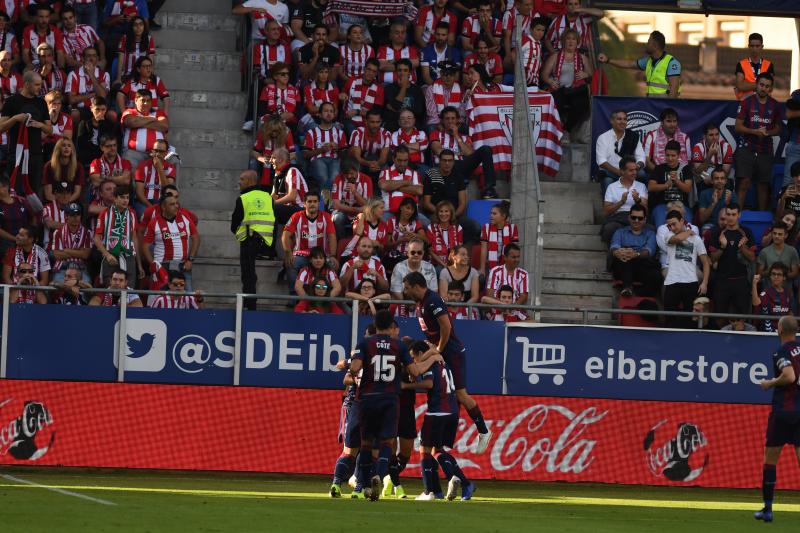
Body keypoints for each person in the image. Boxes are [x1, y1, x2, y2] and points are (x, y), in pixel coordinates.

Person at [347, 309, 443, 500]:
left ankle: (364, 485)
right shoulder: (398, 346)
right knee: (387, 444)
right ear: (392, 326)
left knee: (366, 445)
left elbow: (354, 368)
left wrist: (358, 363)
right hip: (389, 399)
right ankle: (378, 476)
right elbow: (415, 372)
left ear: (375, 325)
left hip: (367, 398)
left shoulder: (365, 343)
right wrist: (432, 357)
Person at [403, 271, 493, 454]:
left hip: (452, 353)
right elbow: (435, 332)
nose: (405, 292)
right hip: (443, 351)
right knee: (445, 395)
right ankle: (441, 441)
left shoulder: (432, 300)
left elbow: (446, 326)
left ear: (416, 286)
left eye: (407, 288)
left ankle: (484, 431)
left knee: (459, 394)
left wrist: (438, 349)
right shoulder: (422, 304)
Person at [409, 339, 476, 501]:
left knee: (424, 450)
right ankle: (462, 486)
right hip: (452, 410)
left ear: (419, 353)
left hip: (437, 411)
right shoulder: (442, 362)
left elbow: (427, 381)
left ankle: (429, 491)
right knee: (437, 450)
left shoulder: (429, 363)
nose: (413, 361)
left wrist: (408, 384)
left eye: (413, 357)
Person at [754, 315, 800, 523]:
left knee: (770, 461)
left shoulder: (780, 352)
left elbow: (789, 376)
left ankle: (768, 509)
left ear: (780, 330)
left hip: (784, 411)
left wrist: (770, 383)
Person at [231, 170, 280, 310]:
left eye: (242, 179)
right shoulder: (268, 197)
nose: (239, 182)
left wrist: (241, 234)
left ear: (250, 181)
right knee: (250, 276)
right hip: (267, 243)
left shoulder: (243, 199)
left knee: (248, 276)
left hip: (248, 241)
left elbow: (234, 225)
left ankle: (250, 306)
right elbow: (273, 220)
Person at [0, 71, 52, 195]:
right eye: (37, 85)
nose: (40, 88)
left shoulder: (41, 103)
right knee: (15, 191)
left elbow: (49, 130)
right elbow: (1, 127)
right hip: (16, 154)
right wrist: (15, 119)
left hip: (36, 154)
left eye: (40, 84)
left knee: (34, 192)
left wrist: (40, 125)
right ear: (27, 84)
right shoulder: (11, 102)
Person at [735, 72, 781, 211]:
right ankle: (736, 217)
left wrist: (768, 132)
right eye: (761, 85)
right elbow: (738, 127)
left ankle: (762, 218)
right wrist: (754, 132)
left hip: (766, 150)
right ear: (756, 84)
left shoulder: (775, 105)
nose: (763, 88)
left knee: (763, 186)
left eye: (767, 86)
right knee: (744, 183)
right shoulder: (746, 102)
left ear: (771, 88)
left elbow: (778, 129)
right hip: (746, 148)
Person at [429, 106, 497, 198]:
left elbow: (469, 154)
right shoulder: (436, 134)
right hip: (443, 166)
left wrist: (456, 135)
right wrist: (458, 153)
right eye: (447, 118)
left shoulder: (464, 137)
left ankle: (490, 188)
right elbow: (438, 151)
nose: (450, 121)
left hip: (462, 166)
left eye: (453, 118)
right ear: (442, 121)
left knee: (486, 149)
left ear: (457, 120)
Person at [708, 203, 757, 326]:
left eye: (733, 214)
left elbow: (752, 258)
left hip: (741, 280)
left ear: (739, 215)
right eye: (728, 214)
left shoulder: (747, 232)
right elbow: (712, 259)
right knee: (719, 317)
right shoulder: (717, 233)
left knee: (742, 319)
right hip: (721, 280)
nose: (730, 218)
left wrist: (743, 248)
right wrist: (722, 247)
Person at [281, 190, 337, 293]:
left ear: (318, 203)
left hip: (321, 256)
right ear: (304, 203)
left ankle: (328, 299)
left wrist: (332, 256)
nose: (312, 204)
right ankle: (294, 298)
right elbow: (285, 235)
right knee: (291, 263)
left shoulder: (326, 217)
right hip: (300, 255)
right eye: (309, 201)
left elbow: (332, 237)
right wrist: (288, 253)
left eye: (315, 201)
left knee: (333, 265)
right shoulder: (296, 217)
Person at [540, 29, 592, 141]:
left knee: (582, 104)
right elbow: (544, 75)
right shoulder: (555, 56)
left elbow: (591, 77)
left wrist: (585, 74)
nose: (570, 41)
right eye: (568, 38)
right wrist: (551, 82)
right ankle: (555, 130)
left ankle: (566, 130)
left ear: (577, 42)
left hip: (576, 90)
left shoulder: (583, 58)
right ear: (563, 41)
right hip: (559, 89)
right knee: (555, 102)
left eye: (573, 39)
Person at [662, 210, 710, 328]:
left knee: (691, 320)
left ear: (682, 221)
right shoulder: (668, 235)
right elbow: (677, 239)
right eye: (669, 225)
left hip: (691, 282)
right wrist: (688, 231)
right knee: (669, 319)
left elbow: (706, 263)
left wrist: (704, 283)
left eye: (674, 224)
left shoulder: (696, 239)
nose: (672, 227)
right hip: (672, 281)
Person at [141, 194, 200, 290]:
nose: (176, 206)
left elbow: (196, 238)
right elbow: (145, 246)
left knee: (186, 298)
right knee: (159, 298)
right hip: (162, 266)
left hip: (183, 266)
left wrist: (190, 259)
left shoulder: (185, 217)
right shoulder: (154, 222)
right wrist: (154, 264)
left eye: (177, 203)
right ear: (163, 207)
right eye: (172, 204)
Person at [598, 30, 681, 98]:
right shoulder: (648, 61)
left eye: (649, 42)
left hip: (664, 107)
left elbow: (674, 87)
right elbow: (629, 64)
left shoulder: (671, 63)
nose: (646, 44)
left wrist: (669, 107)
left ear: (655, 46)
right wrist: (608, 60)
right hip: (652, 104)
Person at [422, 149, 480, 244]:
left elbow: (462, 203)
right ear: (439, 161)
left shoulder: (458, 177)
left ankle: (457, 248)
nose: (447, 163)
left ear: (453, 162)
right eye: (444, 160)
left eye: (450, 160)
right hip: (435, 214)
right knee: (427, 226)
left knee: (475, 227)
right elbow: (426, 203)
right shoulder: (431, 175)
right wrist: (442, 214)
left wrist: (452, 216)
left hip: (454, 215)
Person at [609, 204, 660, 297]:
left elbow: (649, 252)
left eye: (640, 218)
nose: (636, 220)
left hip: (641, 265)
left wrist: (635, 254)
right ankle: (627, 287)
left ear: (645, 219)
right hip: (623, 264)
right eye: (633, 217)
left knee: (656, 275)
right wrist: (619, 252)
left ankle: (636, 294)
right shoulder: (620, 232)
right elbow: (614, 247)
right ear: (629, 218)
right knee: (625, 259)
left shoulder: (650, 233)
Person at [94, 185, 141, 283]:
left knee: (129, 291)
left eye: (127, 198)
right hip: (111, 256)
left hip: (129, 257)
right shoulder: (104, 213)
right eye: (122, 197)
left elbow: (134, 239)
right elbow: (96, 239)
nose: (125, 200)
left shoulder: (132, 214)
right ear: (115, 198)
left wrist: (139, 264)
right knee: (110, 291)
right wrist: (106, 255)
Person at [595, 108, 645, 192]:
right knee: (608, 181)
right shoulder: (603, 138)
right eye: (619, 119)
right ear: (612, 121)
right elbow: (601, 161)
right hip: (611, 172)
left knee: (642, 174)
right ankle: (609, 204)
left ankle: (641, 200)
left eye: (625, 119)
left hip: (629, 171)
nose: (622, 122)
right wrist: (619, 172)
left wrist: (636, 167)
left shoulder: (633, 136)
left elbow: (641, 157)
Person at [602, 156, 648, 244]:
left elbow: (646, 211)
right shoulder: (612, 187)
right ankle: (614, 252)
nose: (634, 172)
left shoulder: (641, 186)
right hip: (618, 218)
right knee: (609, 228)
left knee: (651, 229)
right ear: (622, 171)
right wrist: (621, 202)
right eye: (631, 170)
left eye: (635, 170)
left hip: (637, 217)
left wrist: (638, 201)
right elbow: (606, 212)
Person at [302, 101, 346, 195]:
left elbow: (345, 154)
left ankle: (330, 202)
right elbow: (305, 155)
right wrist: (321, 150)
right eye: (326, 111)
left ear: (334, 115)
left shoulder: (340, 133)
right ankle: (326, 203)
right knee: (323, 176)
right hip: (318, 160)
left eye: (331, 111)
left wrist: (337, 149)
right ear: (320, 114)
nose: (329, 113)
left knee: (334, 176)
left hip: (334, 159)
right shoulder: (312, 132)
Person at [647, 140, 692, 228]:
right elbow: (650, 187)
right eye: (667, 155)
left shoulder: (686, 169)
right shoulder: (659, 168)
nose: (670, 158)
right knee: (661, 227)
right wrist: (666, 185)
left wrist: (677, 181)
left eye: (673, 155)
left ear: (678, 155)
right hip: (662, 205)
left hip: (681, 205)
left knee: (686, 227)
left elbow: (688, 189)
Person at [121, 89, 169, 171]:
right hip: (133, 153)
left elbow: (164, 126)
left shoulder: (159, 113)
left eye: (148, 101)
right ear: (136, 101)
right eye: (143, 100)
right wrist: (151, 119)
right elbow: (131, 123)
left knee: (172, 161)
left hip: (156, 153)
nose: (146, 103)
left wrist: (139, 122)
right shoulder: (129, 112)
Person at [65, 46, 110, 125]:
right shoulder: (73, 75)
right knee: (74, 114)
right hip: (80, 108)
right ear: (82, 58)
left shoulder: (104, 74)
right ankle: (75, 137)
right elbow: (72, 100)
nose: (91, 59)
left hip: (99, 108)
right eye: (89, 56)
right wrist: (94, 94)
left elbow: (102, 96)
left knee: (112, 115)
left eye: (94, 56)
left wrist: (91, 74)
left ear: (97, 58)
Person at [340, 57, 383, 137]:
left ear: (376, 74)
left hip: (368, 122)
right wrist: (342, 96)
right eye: (369, 69)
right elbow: (343, 95)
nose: (370, 73)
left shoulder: (379, 89)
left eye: (374, 71)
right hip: (349, 119)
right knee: (354, 134)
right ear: (364, 68)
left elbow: (375, 113)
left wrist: (357, 111)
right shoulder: (351, 81)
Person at [330, 158, 372, 239]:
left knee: (367, 217)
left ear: (357, 170)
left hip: (360, 213)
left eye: (351, 173)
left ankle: (359, 244)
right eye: (346, 174)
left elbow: (368, 204)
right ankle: (341, 242)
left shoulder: (366, 180)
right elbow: (336, 204)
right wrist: (356, 210)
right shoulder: (338, 179)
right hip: (344, 212)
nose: (349, 176)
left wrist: (355, 193)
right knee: (337, 218)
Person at [134, 138, 175, 216]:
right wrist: (151, 208)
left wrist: (159, 168)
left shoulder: (170, 168)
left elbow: (166, 189)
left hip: (161, 202)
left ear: (166, 153)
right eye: (156, 151)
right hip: (144, 202)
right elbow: (139, 193)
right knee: (146, 215)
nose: (158, 154)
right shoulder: (142, 166)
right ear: (152, 152)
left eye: (161, 151)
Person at [641, 108, 691, 172]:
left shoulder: (685, 138)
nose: (672, 124)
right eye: (669, 121)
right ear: (662, 122)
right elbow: (647, 161)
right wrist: (662, 173)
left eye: (674, 121)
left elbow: (688, 161)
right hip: (657, 173)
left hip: (680, 173)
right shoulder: (652, 136)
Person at [385, 196, 427, 271]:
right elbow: (387, 245)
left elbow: (426, 239)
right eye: (408, 208)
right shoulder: (392, 221)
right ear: (401, 207)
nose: (410, 211)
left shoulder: (415, 223)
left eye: (412, 209)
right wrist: (400, 240)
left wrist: (415, 235)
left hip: (411, 256)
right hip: (394, 256)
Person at [383, 58, 425, 131]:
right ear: (396, 72)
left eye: (405, 70)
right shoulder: (389, 88)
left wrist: (396, 110)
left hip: (413, 125)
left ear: (410, 73)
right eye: (399, 70)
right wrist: (404, 87)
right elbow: (394, 107)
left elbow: (419, 111)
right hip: (394, 125)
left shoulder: (417, 90)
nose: (402, 73)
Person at [348, 107, 390, 180]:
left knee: (385, 168)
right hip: (360, 162)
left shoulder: (386, 134)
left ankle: (384, 190)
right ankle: (352, 189)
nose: (375, 125)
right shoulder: (357, 133)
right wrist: (369, 164)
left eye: (378, 122)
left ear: (381, 122)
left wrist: (376, 164)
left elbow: (383, 159)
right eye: (372, 122)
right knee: (354, 168)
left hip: (376, 160)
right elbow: (357, 157)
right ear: (366, 122)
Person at [691, 122, 734, 193]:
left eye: (717, 134)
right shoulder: (698, 147)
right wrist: (709, 156)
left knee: (728, 183)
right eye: (711, 135)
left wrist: (713, 179)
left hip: (720, 177)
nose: (714, 138)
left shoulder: (726, 147)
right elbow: (698, 171)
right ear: (704, 136)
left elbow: (726, 172)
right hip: (705, 176)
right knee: (701, 182)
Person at [752, 265, 796, 334]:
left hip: (784, 332)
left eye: (779, 274)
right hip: (769, 332)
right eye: (773, 274)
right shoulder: (767, 292)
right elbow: (756, 303)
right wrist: (754, 284)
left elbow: (790, 312)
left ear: (784, 277)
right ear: (770, 276)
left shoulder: (787, 293)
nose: (776, 276)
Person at [479, 200, 518, 275]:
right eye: (491, 213)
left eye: (494, 214)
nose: (491, 216)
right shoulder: (486, 227)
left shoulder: (512, 228)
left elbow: (514, 252)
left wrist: (511, 270)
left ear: (503, 216)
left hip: (507, 266)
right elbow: (483, 249)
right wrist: (482, 269)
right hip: (490, 265)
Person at [377, 21, 420, 85]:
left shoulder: (412, 49)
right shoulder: (382, 49)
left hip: (409, 85)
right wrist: (405, 66)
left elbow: (416, 63)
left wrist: (391, 62)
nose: (400, 35)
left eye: (403, 33)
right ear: (390, 35)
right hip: (386, 85)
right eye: (397, 33)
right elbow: (381, 66)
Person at [735, 33, 774, 101]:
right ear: (748, 46)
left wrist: (748, 85)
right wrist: (762, 85)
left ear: (762, 46)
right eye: (752, 46)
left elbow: (770, 87)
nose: (754, 49)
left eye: (757, 46)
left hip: (763, 104)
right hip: (745, 103)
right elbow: (740, 86)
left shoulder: (769, 65)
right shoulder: (741, 64)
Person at [698, 166, 737, 232]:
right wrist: (713, 204)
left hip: (727, 224)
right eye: (716, 178)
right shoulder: (704, 194)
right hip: (710, 225)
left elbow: (735, 218)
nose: (719, 181)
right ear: (712, 181)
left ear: (725, 181)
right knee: (706, 231)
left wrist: (728, 204)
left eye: (722, 178)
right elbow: (702, 219)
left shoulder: (731, 194)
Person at [424, 60, 462, 129]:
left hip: (455, 121)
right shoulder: (431, 89)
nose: (448, 77)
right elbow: (432, 113)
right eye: (446, 74)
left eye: (451, 74)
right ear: (441, 73)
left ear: (455, 75)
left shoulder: (460, 89)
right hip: (437, 122)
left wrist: (455, 123)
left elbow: (461, 111)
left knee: (465, 128)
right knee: (431, 128)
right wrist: (440, 124)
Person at [426, 200, 463, 270]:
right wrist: (444, 265)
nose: (443, 214)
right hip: (436, 264)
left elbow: (459, 249)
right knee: (442, 272)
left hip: (454, 263)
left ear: (451, 213)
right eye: (441, 211)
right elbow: (430, 251)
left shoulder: (458, 228)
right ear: (437, 213)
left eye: (446, 211)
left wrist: (452, 264)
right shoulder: (431, 228)